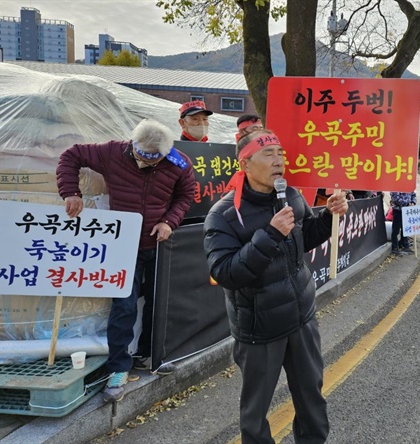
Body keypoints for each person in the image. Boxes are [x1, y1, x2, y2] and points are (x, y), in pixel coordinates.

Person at [203, 129, 348, 443]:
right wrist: (268, 235)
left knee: (312, 398)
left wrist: (329, 215)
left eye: (280, 153)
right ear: (245, 164)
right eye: (268, 155)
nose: (279, 160)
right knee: (254, 415)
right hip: (259, 331)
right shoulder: (225, 215)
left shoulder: (292, 195)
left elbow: (305, 237)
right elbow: (224, 272)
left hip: (302, 319)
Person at [56, 119, 196, 402]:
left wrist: (170, 221)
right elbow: (70, 156)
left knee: (159, 303)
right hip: (123, 245)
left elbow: (187, 194)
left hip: (158, 243)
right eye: (142, 156)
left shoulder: (178, 161)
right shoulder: (112, 152)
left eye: (154, 159)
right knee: (124, 306)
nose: (146, 163)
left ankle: (149, 355)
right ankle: (118, 368)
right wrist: (71, 192)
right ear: (133, 145)